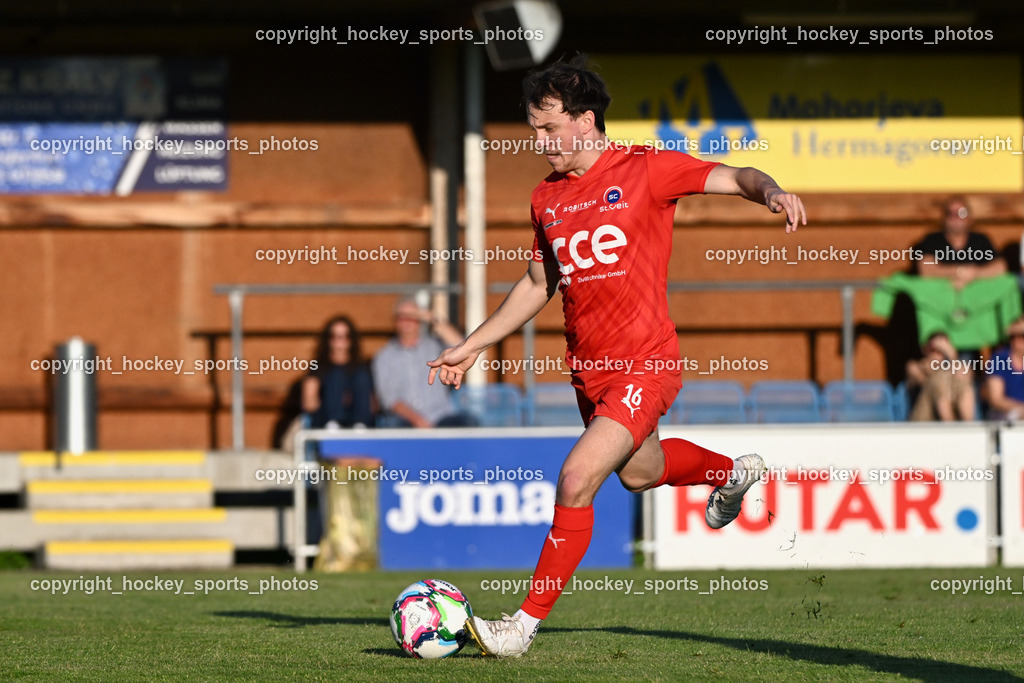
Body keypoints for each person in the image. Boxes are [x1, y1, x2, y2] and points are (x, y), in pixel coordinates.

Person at [426, 55, 806, 657]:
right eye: (533, 129)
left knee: (577, 479)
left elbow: (734, 175)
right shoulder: (545, 198)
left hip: (646, 360)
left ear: (585, 119)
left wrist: (771, 191)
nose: (539, 141)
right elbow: (535, 282)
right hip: (589, 370)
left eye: (549, 128)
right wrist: (471, 345)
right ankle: (733, 473)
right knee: (640, 473)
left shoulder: (646, 170)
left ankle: (518, 628)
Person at [374, 297, 477, 428]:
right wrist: (418, 420)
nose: (407, 321)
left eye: (412, 316)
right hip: (406, 420)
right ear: (395, 320)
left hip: (441, 417)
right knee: (391, 424)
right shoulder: (384, 356)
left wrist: (432, 318)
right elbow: (389, 398)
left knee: (468, 422)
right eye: (402, 317)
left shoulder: (435, 346)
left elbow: (462, 348)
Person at [915, 196, 1005, 289]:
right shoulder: (932, 239)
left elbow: (999, 267)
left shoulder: (980, 240)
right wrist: (958, 272)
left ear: (969, 217)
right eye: (950, 213)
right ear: (943, 218)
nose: (955, 217)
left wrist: (974, 274)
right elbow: (926, 269)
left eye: (961, 213)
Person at [302, 315, 375, 429]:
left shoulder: (362, 368)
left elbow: (372, 404)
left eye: (345, 336)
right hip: (325, 421)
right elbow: (309, 403)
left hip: (358, 421)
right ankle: (334, 422)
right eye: (334, 336)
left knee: (360, 376)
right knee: (336, 376)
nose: (339, 341)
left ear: (351, 339)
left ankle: (360, 425)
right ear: (328, 339)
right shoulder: (319, 366)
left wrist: (352, 400)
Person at [905, 331, 975, 421]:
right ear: (925, 349)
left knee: (964, 383)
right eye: (934, 350)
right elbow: (926, 381)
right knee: (940, 380)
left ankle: (968, 426)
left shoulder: (950, 370)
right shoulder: (914, 366)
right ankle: (950, 426)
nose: (937, 355)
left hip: (953, 416)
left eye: (941, 351)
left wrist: (951, 353)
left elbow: (966, 374)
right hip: (924, 419)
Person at [983, 318, 1024, 420]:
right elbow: (996, 399)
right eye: (1015, 336)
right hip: (1005, 414)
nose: (1018, 340)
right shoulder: (1000, 359)